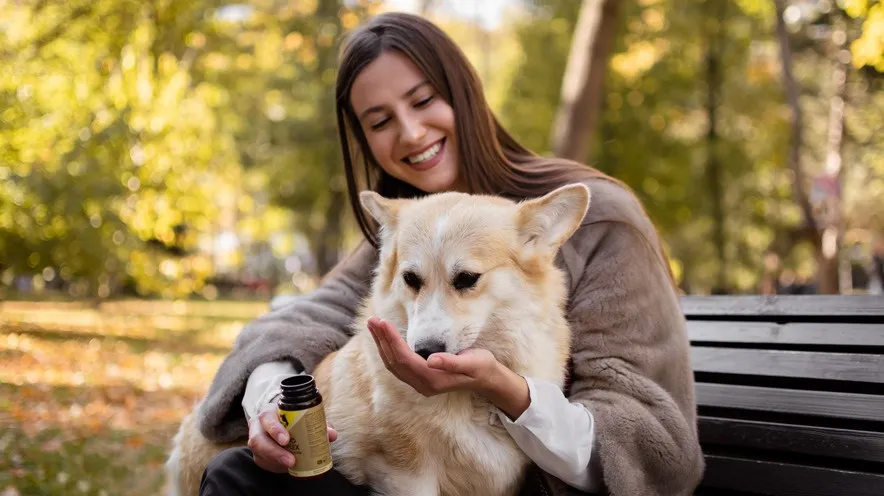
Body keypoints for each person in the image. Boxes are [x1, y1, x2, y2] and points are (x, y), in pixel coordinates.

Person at [195, 11, 704, 496]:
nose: (411, 133)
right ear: (365, 141)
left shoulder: (601, 223)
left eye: (423, 100)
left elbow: (648, 438)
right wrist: (272, 403)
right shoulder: (411, 226)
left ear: (465, 92)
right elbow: (309, 315)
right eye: (380, 121)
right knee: (239, 476)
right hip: (418, 475)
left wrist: (509, 392)